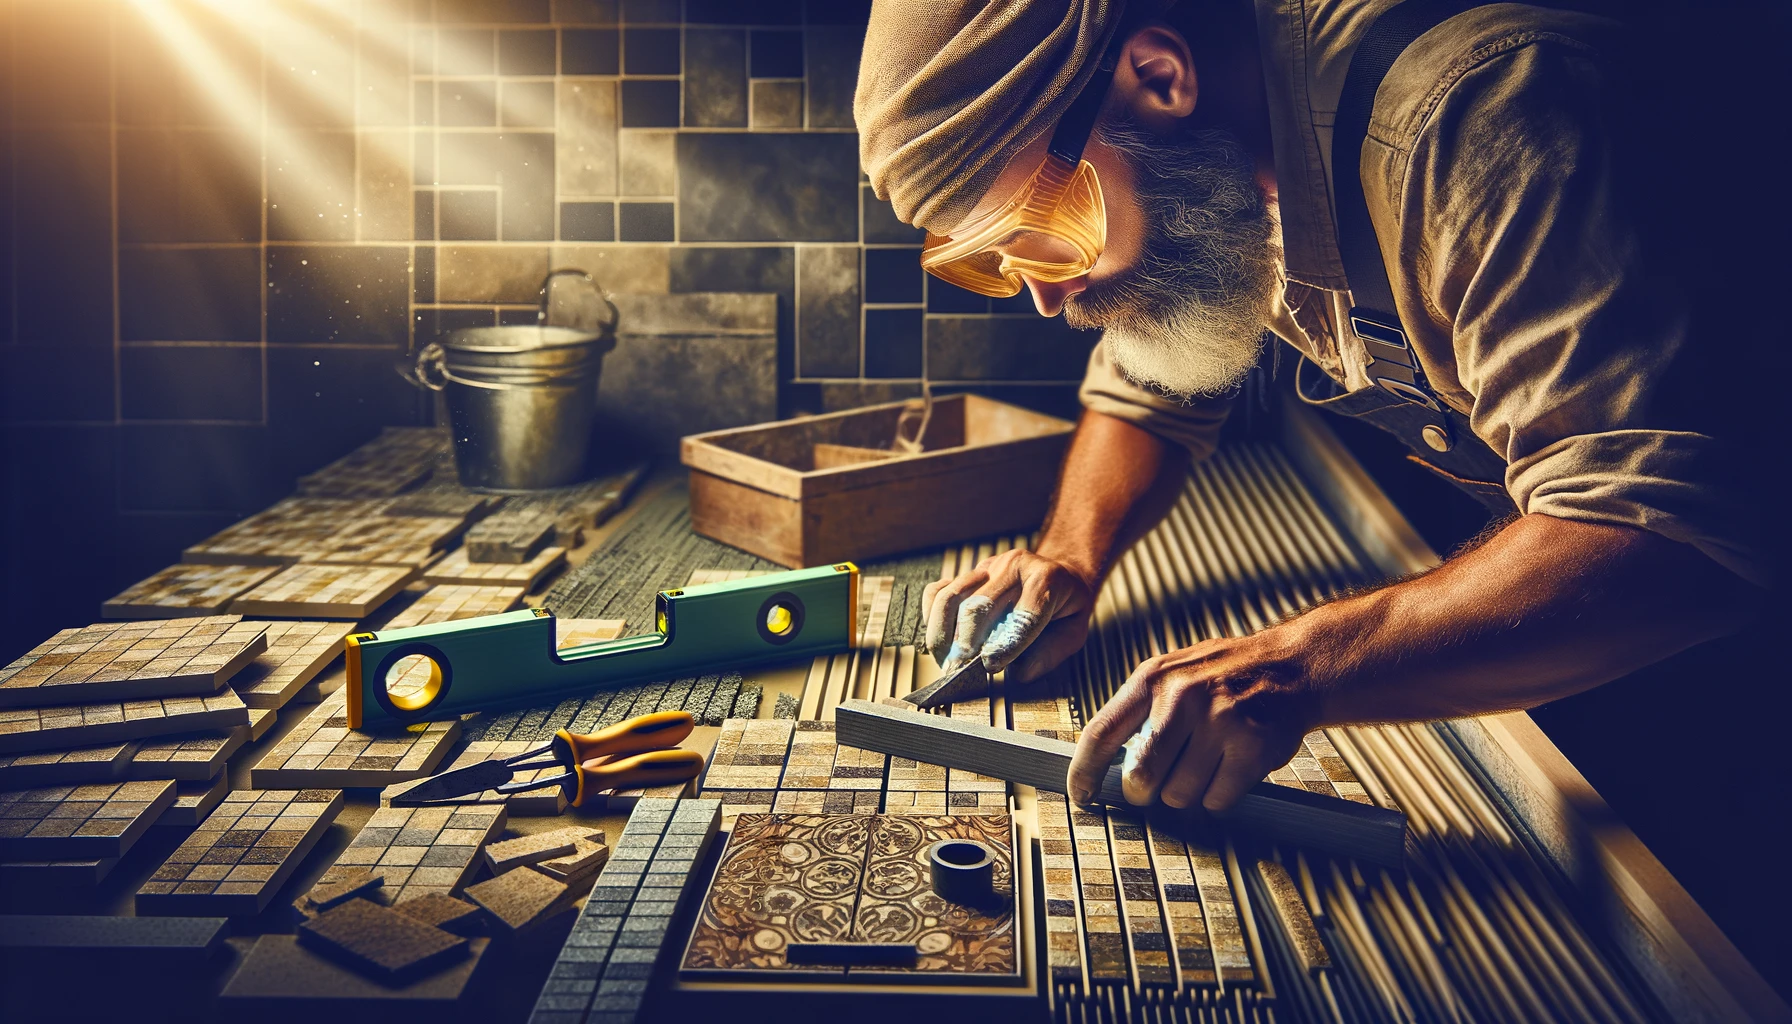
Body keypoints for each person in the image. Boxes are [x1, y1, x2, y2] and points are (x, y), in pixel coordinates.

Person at [853, 0, 1773, 820]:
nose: (1049, 298)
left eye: (1045, 236)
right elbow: (1150, 388)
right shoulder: (1221, 154)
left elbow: (1667, 533)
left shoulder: (1479, 116)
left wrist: (1300, 666)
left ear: (1158, 77)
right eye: (998, 263)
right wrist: (1068, 557)